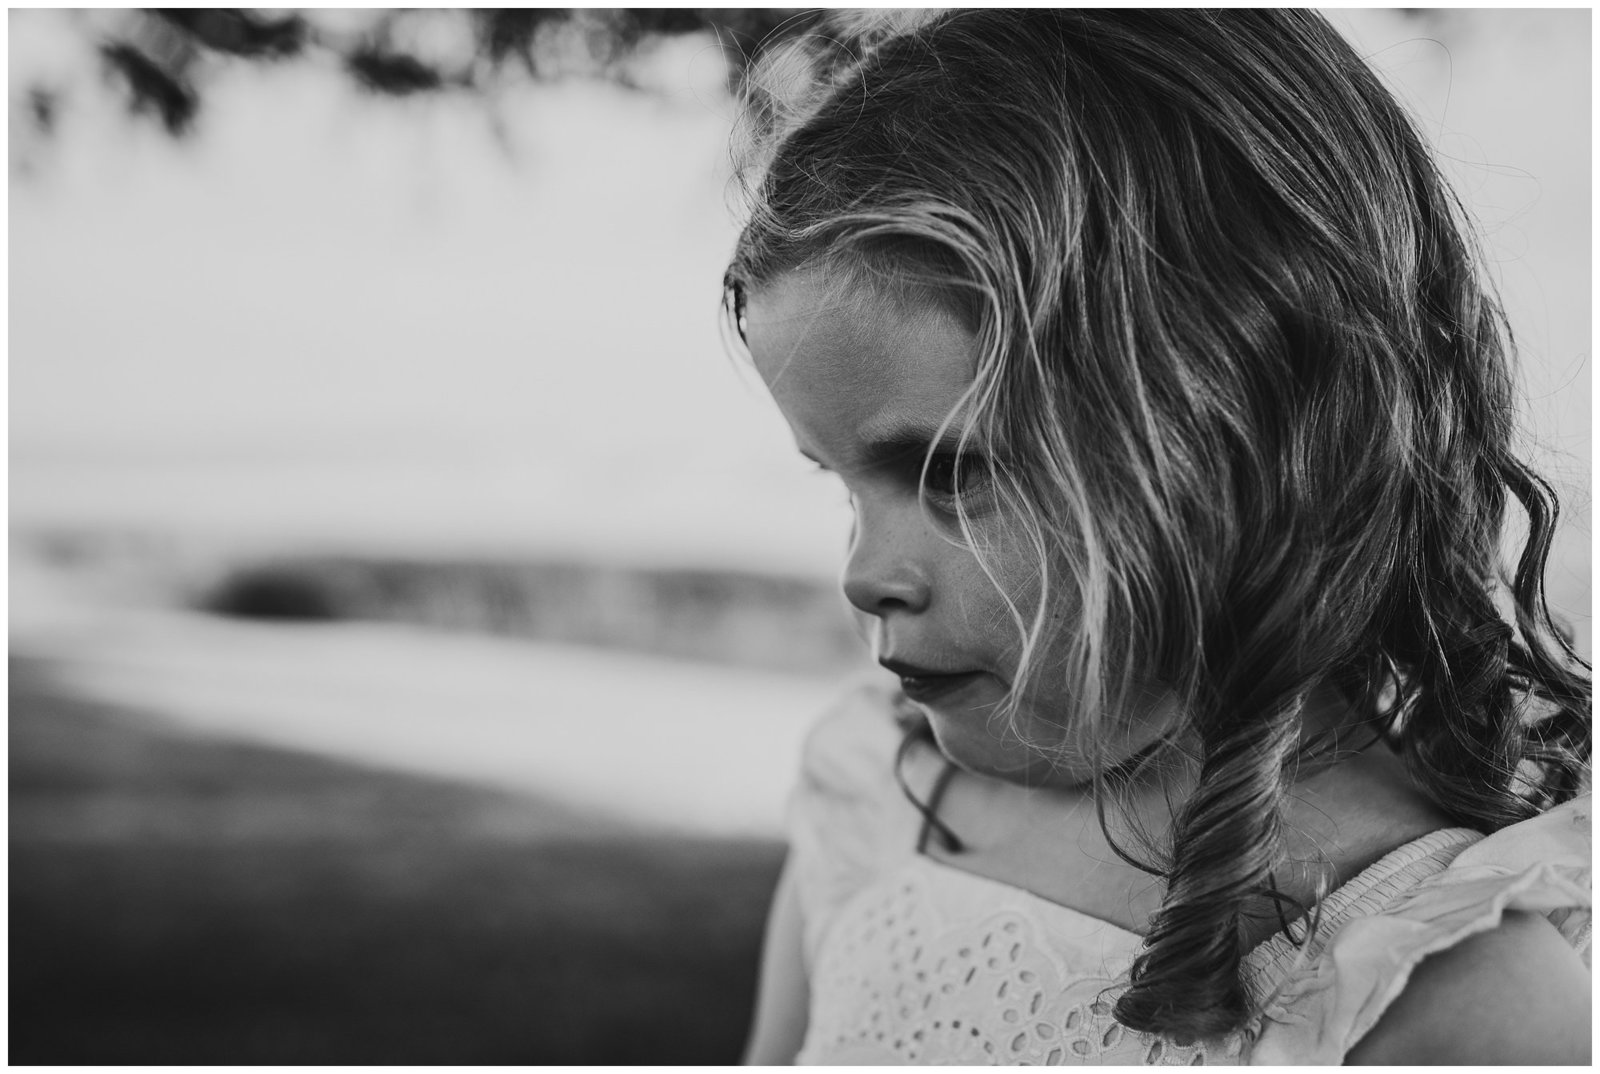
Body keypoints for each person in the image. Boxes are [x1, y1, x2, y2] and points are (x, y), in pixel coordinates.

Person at [722, 9, 1591, 1066]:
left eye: (949, 472)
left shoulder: (1436, 979)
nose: (863, 577)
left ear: (1234, 434)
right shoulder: (879, 792)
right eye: (844, 487)